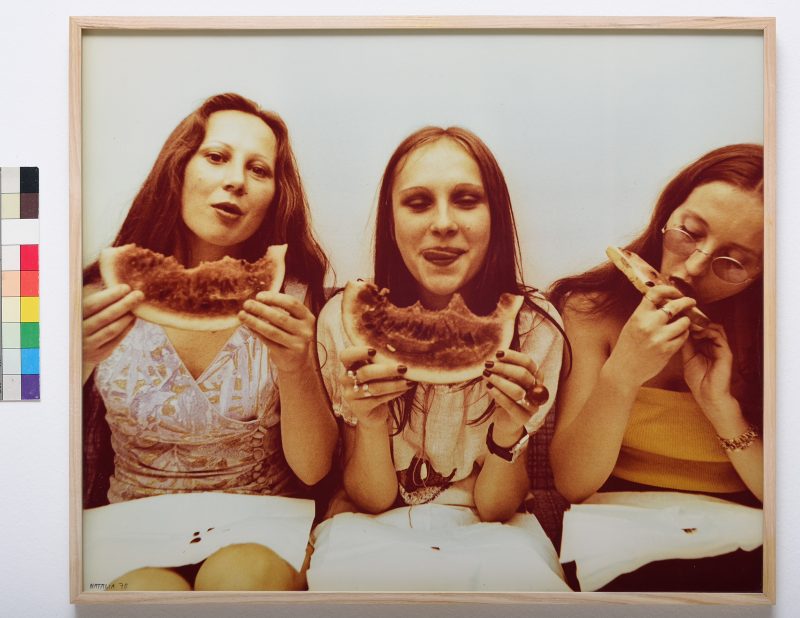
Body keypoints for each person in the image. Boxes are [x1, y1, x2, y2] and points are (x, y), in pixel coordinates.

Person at [81, 93, 338, 590]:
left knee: (240, 578)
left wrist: (296, 366)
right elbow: (21, 432)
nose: (236, 180)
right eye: (216, 157)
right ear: (178, 168)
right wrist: (73, 364)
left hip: (261, 529)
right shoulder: (92, 296)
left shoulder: (297, 298)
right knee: (152, 593)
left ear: (273, 197)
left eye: (258, 170)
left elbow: (313, 471)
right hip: (129, 530)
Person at [306, 126, 570, 591]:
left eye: (467, 199)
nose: (444, 222)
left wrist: (510, 433)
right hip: (371, 528)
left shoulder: (533, 325)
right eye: (418, 202)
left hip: (494, 533)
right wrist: (368, 421)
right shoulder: (341, 320)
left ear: (495, 216)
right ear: (392, 220)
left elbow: (494, 510)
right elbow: (372, 499)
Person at [548, 144, 764, 591]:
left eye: (733, 262)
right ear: (668, 213)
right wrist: (623, 373)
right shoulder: (589, 311)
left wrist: (721, 408)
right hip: (615, 540)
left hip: (748, 538)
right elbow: (572, 484)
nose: (694, 265)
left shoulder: (777, 332)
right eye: (689, 232)